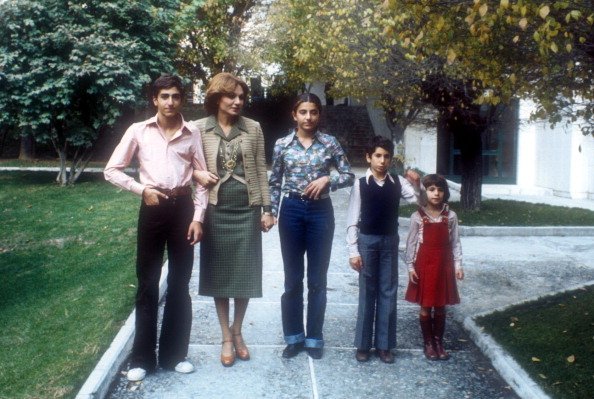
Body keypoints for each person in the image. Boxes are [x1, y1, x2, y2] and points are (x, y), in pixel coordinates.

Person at [104, 75, 208, 382]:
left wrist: (198, 217)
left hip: (183, 209)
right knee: (147, 283)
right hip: (152, 207)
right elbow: (112, 170)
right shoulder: (139, 131)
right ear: (155, 99)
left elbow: (201, 177)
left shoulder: (192, 133)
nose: (170, 102)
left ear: (182, 99)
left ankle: (175, 355)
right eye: (165, 96)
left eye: (176, 96)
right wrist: (140, 190)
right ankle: (142, 359)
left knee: (179, 282)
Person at [191, 72, 274, 367]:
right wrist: (196, 177)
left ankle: (239, 331)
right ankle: (225, 335)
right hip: (215, 211)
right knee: (220, 275)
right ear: (217, 98)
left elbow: (262, 170)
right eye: (231, 96)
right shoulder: (198, 129)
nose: (238, 101)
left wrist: (267, 209)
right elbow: (186, 165)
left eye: (241, 97)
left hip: (247, 210)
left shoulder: (253, 128)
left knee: (245, 274)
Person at [269, 92, 355, 360]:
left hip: (320, 212)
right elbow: (274, 182)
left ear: (319, 114)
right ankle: (294, 337)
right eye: (303, 112)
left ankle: (315, 337)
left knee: (318, 279)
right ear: (294, 115)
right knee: (293, 279)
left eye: (313, 112)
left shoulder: (329, 143)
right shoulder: (283, 145)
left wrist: (328, 180)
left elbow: (349, 175)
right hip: (292, 210)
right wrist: (270, 212)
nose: (308, 117)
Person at [346, 135, 421, 364]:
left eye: (386, 156)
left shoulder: (398, 183)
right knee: (367, 292)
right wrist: (353, 251)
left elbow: (418, 202)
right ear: (369, 157)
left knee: (388, 291)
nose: (382, 160)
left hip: (389, 241)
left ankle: (384, 345)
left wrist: (417, 184)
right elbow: (352, 219)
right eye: (377, 156)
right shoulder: (360, 185)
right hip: (367, 241)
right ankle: (363, 344)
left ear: (391, 160)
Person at [404, 173, 464, 360]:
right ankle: (428, 342)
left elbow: (455, 243)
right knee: (426, 306)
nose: (436, 193)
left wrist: (458, 265)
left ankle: (439, 341)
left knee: (440, 306)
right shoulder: (418, 216)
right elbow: (411, 244)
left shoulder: (451, 216)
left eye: (440, 190)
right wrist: (411, 267)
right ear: (425, 193)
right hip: (424, 266)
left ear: (445, 193)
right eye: (431, 190)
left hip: (444, 266)